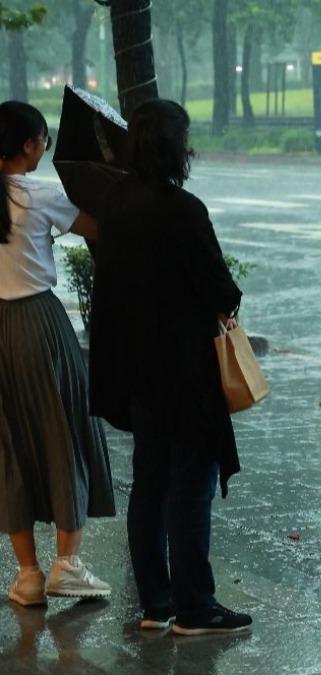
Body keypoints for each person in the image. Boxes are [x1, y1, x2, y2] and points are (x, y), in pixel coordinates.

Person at [89, 99, 251, 635]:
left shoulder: (114, 203)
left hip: (136, 370)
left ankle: (155, 605)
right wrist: (228, 297)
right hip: (186, 374)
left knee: (149, 485)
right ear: (176, 147)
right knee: (191, 487)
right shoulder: (184, 210)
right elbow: (218, 290)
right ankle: (196, 607)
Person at [0, 101, 115, 606]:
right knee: (63, 431)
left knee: (8, 448)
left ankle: (27, 575)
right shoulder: (41, 196)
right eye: (43, 140)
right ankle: (67, 565)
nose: (45, 148)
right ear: (28, 145)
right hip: (39, 325)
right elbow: (100, 228)